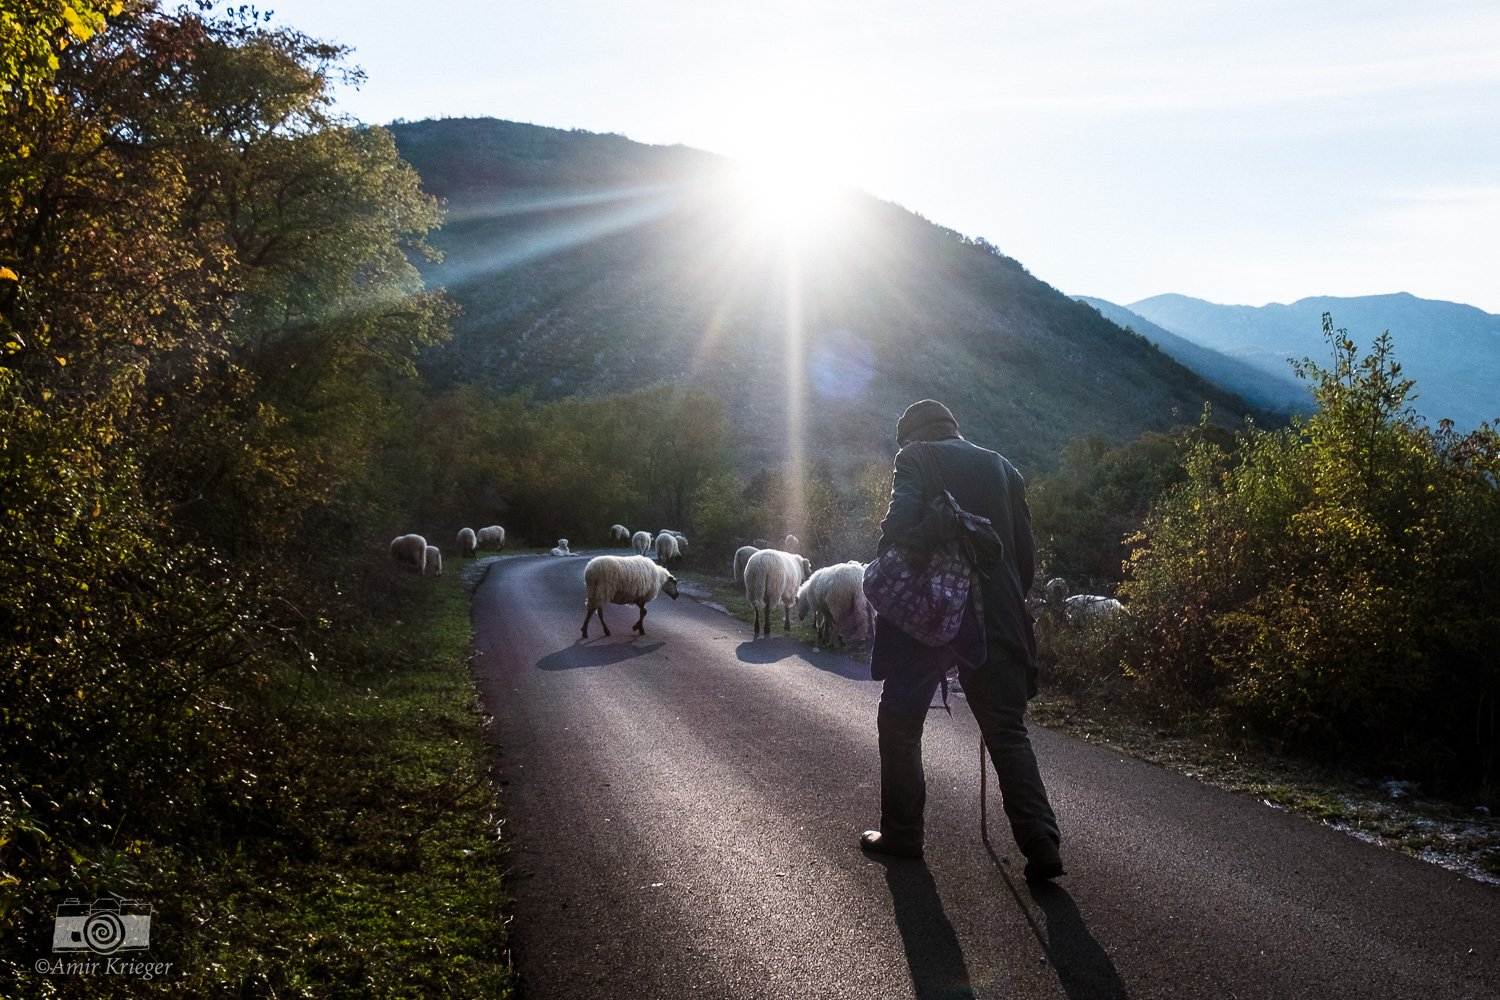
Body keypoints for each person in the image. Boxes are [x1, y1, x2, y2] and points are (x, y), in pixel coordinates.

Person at [859, 399, 1065, 881]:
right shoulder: (1003, 467)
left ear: (912, 437)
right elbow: (1024, 558)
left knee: (901, 722)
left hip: (928, 613)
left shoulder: (915, 458)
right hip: (995, 614)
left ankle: (903, 834)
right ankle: (1041, 842)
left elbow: (897, 528)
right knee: (1006, 730)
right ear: (955, 429)